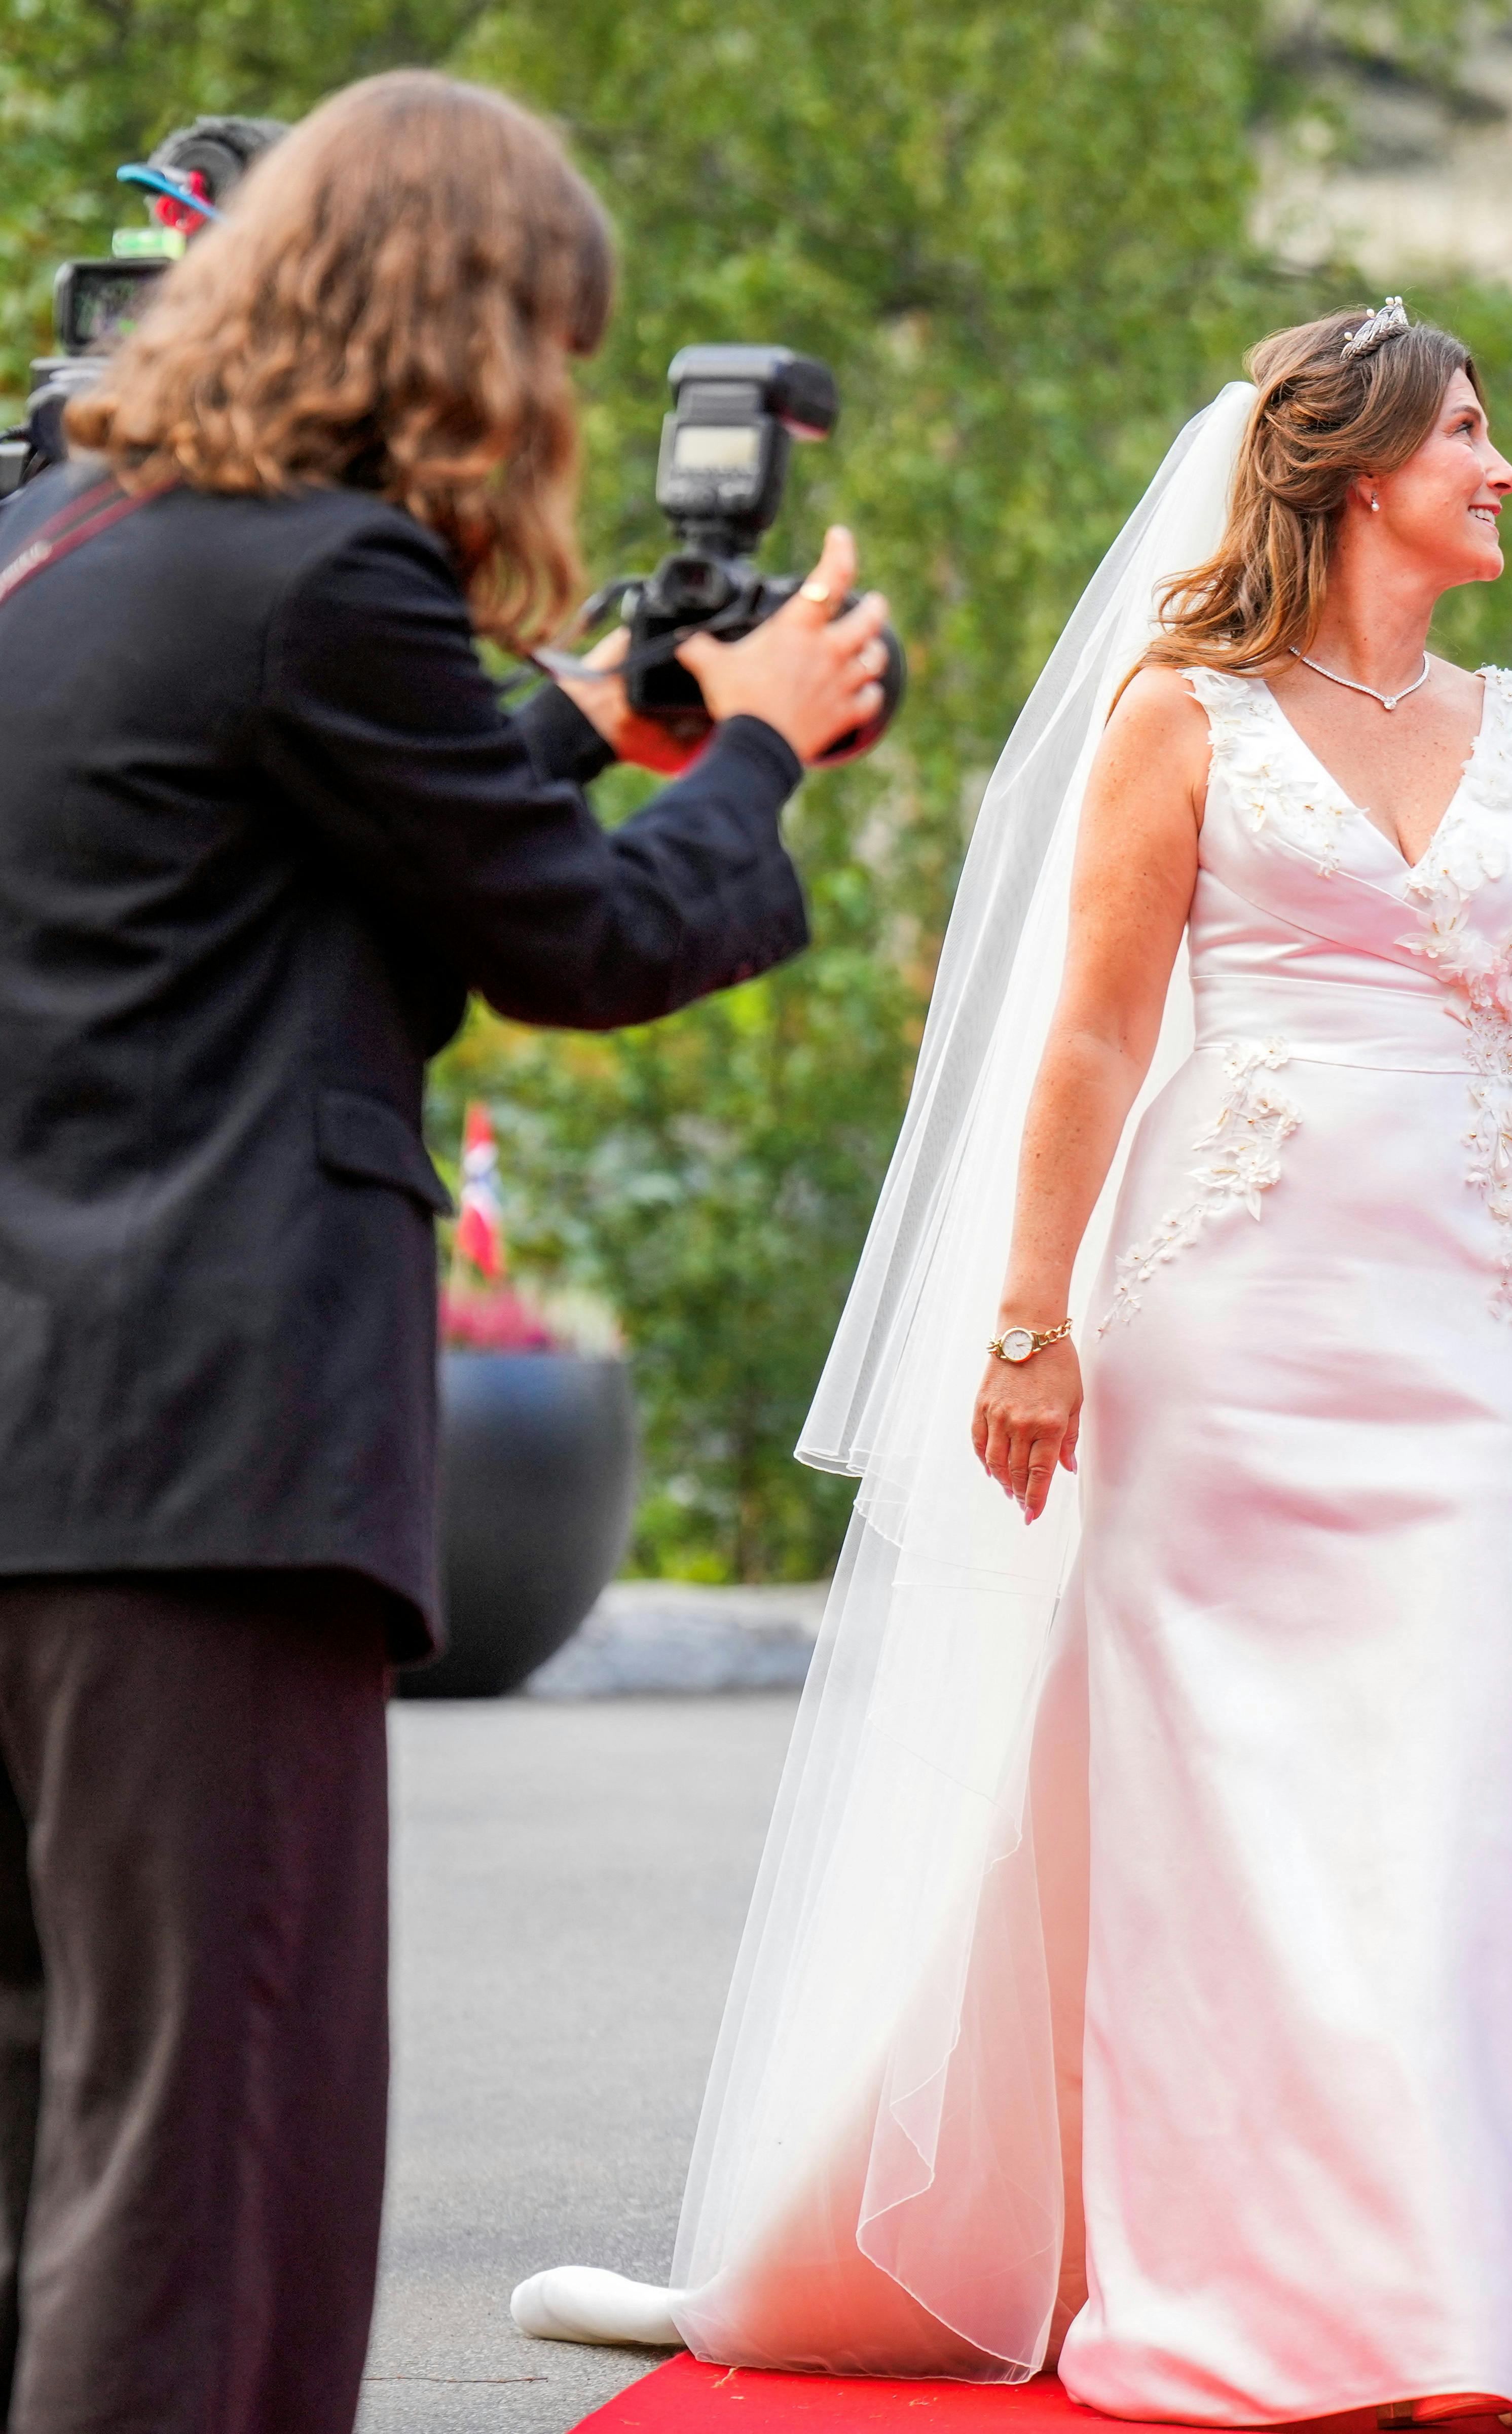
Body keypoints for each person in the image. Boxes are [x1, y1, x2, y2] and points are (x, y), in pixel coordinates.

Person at [516, 304, 1512, 2422]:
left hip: (1480, 1329)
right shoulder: (1186, 713)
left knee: (1453, 1795)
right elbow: (1091, 1036)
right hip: (1233, 1329)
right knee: (1233, 1806)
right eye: (1469, 437)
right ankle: (1273, 2285)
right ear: (1349, 475)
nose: (1503, 470)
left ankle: (1451, 2286)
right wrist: (1032, 1320)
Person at [0, 70, 885, 2434]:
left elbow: (256, 859)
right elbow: (572, 940)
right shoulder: (324, 569)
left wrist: (575, 729)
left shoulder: (65, 540)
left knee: (53, 2137)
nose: (560, 408)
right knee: (212, 2158)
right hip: (208, 1467)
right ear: (459, 327)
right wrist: (761, 759)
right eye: (555, 349)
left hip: (35, 1452)